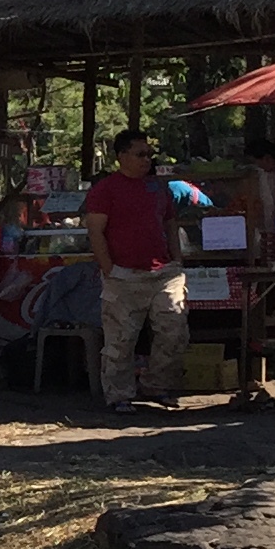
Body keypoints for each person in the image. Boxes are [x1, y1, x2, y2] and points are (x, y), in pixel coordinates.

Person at [85, 129, 189, 411]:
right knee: (120, 339)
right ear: (122, 156)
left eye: (149, 155)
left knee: (174, 329)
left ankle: (158, 385)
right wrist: (109, 268)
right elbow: (96, 231)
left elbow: (170, 224)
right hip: (123, 274)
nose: (146, 160)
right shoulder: (105, 190)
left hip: (164, 272)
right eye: (140, 154)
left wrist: (176, 261)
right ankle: (119, 394)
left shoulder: (158, 188)